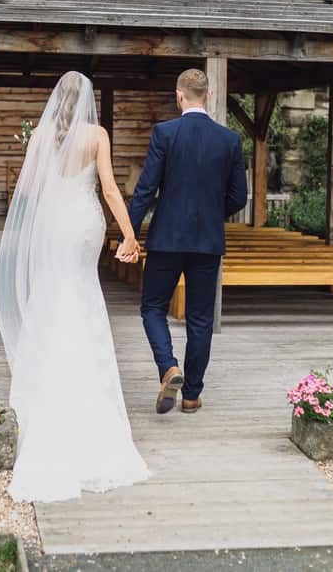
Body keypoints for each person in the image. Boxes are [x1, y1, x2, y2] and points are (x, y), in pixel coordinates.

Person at [0, 71, 150, 503]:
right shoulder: (97, 134)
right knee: (81, 293)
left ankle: (49, 385)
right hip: (84, 224)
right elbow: (110, 189)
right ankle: (87, 393)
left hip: (52, 223)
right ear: (87, 102)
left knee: (52, 293)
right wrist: (130, 235)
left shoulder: (42, 135)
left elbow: (25, 191)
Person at [123, 68, 248, 415]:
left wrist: (128, 235)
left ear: (179, 96)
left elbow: (146, 189)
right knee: (200, 319)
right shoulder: (229, 140)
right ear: (206, 96)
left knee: (152, 308)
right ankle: (191, 395)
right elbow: (240, 197)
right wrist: (211, 212)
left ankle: (169, 367)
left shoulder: (165, 133)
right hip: (208, 241)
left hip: (166, 238)